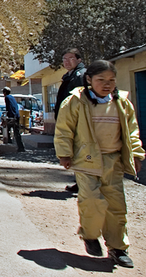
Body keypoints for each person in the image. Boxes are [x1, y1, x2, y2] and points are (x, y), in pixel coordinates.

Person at [54, 60, 145, 268]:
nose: (107, 84)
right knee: (92, 200)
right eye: (101, 80)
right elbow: (64, 129)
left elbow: (132, 131)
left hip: (113, 160)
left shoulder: (121, 102)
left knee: (116, 205)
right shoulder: (76, 102)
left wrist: (137, 155)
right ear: (89, 80)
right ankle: (90, 235)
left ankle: (118, 248)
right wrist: (64, 154)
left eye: (111, 80)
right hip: (86, 160)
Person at [55, 48, 86, 193]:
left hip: (78, 120)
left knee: (81, 150)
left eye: (71, 58)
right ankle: (80, 181)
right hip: (70, 118)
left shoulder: (81, 75)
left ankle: (84, 183)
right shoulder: (70, 75)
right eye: (64, 59)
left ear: (79, 60)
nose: (67, 62)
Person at [2, 87, 25, 152]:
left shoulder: (7, 98)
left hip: (12, 117)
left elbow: (9, 107)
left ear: (5, 92)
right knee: (16, 131)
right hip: (16, 116)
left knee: (9, 131)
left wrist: (9, 116)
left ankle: (10, 145)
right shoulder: (12, 97)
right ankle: (20, 147)